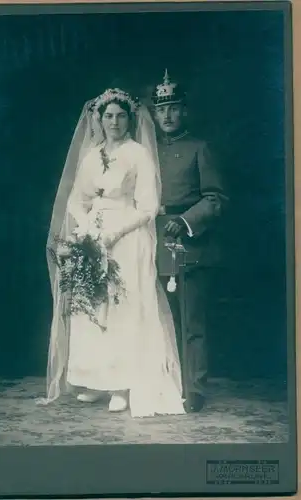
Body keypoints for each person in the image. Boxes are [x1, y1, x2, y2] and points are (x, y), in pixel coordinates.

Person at [38, 87, 185, 418]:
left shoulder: (138, 154)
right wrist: (88, 228)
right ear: (99, 120)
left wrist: (114, 232)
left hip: (129, 236)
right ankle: (94, 381)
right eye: (108, 116)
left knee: (122, 308)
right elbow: (77, 198)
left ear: (129, 120)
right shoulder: (92, 156)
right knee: (92, 305)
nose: (114, 122)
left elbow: (147, 207)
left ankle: (122, 385)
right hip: (94, 233)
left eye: (120, 116)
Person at [151, 70, 229, 412]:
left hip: (189, 243)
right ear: (153, 114)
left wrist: (185, 221)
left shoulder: (200, 148)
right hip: (150, 239)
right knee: (154, 317)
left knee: (191, 319)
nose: (167, 115)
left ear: (184, 111)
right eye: (161, 109)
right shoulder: (147, 150)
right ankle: (159, 384)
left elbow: (215, 199)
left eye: (174, 108)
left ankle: (194, 387)